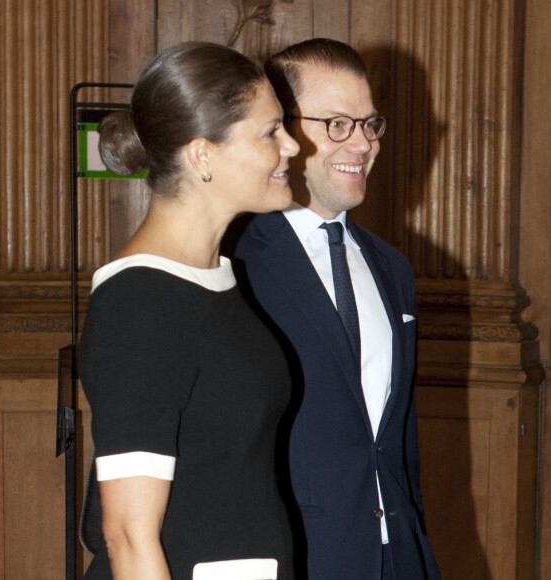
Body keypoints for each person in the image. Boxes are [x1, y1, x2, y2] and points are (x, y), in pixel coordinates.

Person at [78, 41, 299, 580]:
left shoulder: (216, 280)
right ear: (203, 155)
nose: (292, 146)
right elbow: (128, 537)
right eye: (271, 131)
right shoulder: (139, 301)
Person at [232, 38, 441, 579]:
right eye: (338, 124)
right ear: (283, 130)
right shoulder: (235, 263)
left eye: (370, 124)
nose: (363, 144)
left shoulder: (392, 269)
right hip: (296, 558)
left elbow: (398, 440)